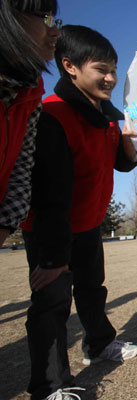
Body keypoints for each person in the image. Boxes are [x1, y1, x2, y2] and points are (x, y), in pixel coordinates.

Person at [20, 25, 137, 400]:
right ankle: (49, 386)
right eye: (101, 69)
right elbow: (50, 194)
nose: (110, 78)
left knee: (92, 289)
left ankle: (99, 343)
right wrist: (54, 257)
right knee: (52, 302)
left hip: (88, 223)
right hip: (50, 227)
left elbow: (119, 165)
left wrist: (128, 142)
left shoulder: (106, 115)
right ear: (69, 66)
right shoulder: (53, 116)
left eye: (113, 69)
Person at [0, 0, 60, 248]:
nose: (55, 31)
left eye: (54, 20)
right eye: (44, 18)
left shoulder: (30, 94)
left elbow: (20, 172)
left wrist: (4, 225)